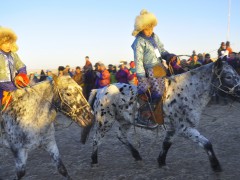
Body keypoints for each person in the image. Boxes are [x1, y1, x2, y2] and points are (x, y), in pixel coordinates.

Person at [131, 9, 176, 128]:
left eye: (152, 28)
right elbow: (138, 61)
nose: (150, 31)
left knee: (171, 87)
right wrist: (141, 78)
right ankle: (143, 116)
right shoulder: (139, 42)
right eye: (147, 28)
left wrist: (169, 55)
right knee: (156, 92)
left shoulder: (154, 37)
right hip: (149, 70)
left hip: (160, 68)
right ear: (141, 28)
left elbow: (161, 50)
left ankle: (163, 112)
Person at [0, 27, 29, 109]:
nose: (8, 46)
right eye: (5, 43)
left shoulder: (13, 55)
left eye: (10, 43)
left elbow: (21, 66)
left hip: (13, 84)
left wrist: (21, 75)